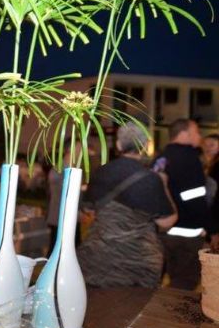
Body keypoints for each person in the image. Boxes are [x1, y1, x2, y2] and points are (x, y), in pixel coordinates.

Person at [78, 123, 176, 288]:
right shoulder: (151, 179)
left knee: (96, 303)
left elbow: (87, 211)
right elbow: (166, 222)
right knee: (133, 304)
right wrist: (164, 184)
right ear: (145, 146)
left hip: (97, 259)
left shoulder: (100, 173)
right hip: (138, 265)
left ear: (118, 145)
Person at [153, 119, 217, 290]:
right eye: (196, 132)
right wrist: (212, 230)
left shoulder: (160, 158)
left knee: (159, 278)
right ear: (184, 134)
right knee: (185, 281)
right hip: (187, 234)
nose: (199, 136)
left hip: (161, 232)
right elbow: (195, 199)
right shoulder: (189, 158)